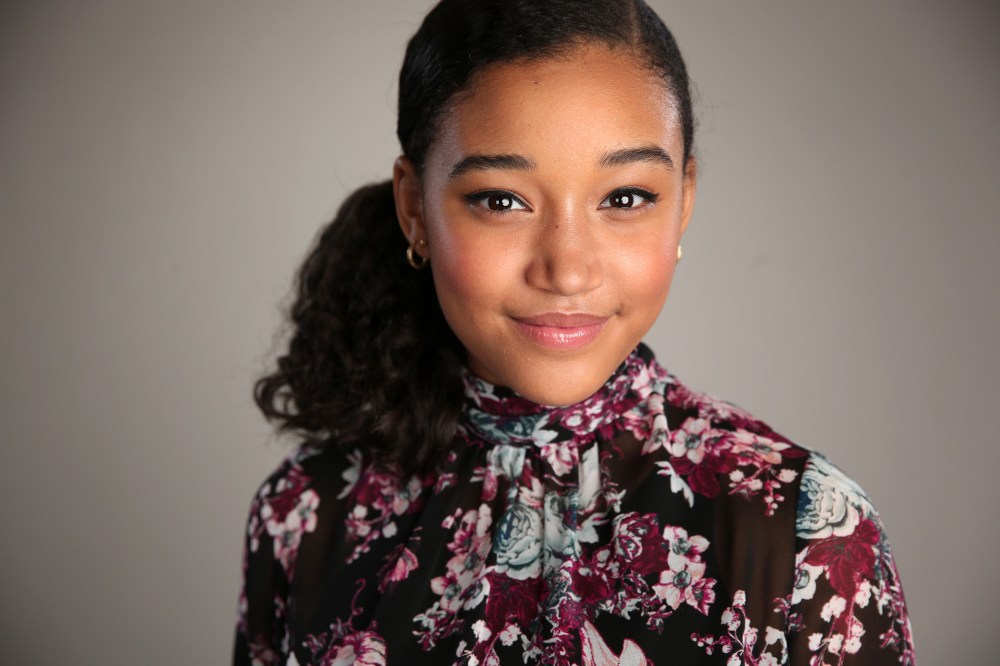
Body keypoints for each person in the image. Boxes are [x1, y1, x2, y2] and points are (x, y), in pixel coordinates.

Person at [232, 1, 915, 664]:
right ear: (414, 209)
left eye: (624, 198)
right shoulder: (304, 517)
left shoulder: (806, 534)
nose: (566, 270)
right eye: (502, 200)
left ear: (682, 203)